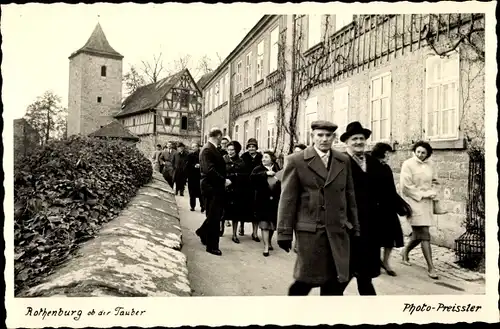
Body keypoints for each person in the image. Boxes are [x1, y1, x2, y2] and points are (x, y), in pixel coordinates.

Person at [277, 120, 359, 296]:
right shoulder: (297, 161)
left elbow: (349, 196)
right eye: (320, 135)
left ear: (334, 138)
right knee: (304, 282)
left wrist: (355, 227)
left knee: (334, 283)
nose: (324, 139)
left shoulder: (343, 160)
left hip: (338, 231)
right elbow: (287, 200)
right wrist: (284, 232)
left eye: (328, 135)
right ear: (312, 136)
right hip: (311, 232)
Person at [340, 121, 386, 295]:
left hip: (370, 224)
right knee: (345, 271)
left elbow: (384, 191)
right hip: (349, 224)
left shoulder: (373, 163)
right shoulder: (340, 163)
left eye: (361, 138)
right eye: (354, 139)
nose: (359, 142)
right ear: (347, 142)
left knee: (364, 273)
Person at [400, 141, 443, 280]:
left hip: (427, 203)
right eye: (418, 152)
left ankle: (405, 251)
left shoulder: (431, 165)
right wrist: (423, 194)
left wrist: (433, 191)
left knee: (419, 234)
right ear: (414, 151)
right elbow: (406, 186)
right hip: (414, 202)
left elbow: (436, 181)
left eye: (423, 153)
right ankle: (431, 267)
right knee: (424, 233)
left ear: (428, 154)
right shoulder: (408, 164)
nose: (420, 155)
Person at [370, 142, 411, 276]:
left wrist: (401, 205)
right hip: (374, 209)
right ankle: (375, 262)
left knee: (391, 236)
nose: (389, 156)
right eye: (387, 153)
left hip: (387, 208)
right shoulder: (369, 166)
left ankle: (386, 261)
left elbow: (391, 190)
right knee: (374, 238)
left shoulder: (386, 168)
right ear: (381, 153)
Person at [195, 128, 231, 256]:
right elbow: (209, 170)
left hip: (214, 187)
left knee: (213, 215)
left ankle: (202, 232)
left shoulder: (211, 148)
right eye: (222, 137)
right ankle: (212, 246)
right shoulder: (207, 149)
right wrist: (223, 181)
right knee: (214, 217)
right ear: (219, 136)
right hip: (211, 187)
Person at [251, 151, 281, 257]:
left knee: (272, 223)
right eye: (263, 157)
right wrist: (265, 174)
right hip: (262, 200)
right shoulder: (258, 169)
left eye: (266, 157)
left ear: (272, 159)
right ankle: (266, 247)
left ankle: (268, 241)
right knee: (264, 224)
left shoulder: (277, 168)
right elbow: (252, 178)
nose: (263, 159)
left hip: (274, 201)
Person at [221, 141, 248, 242]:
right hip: (224, 189)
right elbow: (220, 172)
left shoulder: (241, 162)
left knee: (235, 213)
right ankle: (221, 228)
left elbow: (244, 177)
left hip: (236, 190)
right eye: (228, 150)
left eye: (232, 150)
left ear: (236, 150)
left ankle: (234, 234)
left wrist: (234, 178)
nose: (230, 152)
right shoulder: (223, 160)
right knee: (223, 210)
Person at [239, 138, 263, 239]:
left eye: (253, 147)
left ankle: (255, 232)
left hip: (256, 186)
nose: (251, 149)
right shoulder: (243, 157)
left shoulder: (260, 157)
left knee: (256, 210)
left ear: (256, 148)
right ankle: (242, 227)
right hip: (245, 186)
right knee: (243, 208)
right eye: (249, 147)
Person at [187, 142, 204, 212]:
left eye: (194, 147)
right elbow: (187, 165)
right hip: (192, 176)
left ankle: (202, 206)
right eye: (192, 147)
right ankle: (192, 206)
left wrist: (200, 166)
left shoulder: (201, 155)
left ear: (197, 147)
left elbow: (204, 163)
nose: (193, 148)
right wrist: (194, 166)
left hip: (199, 176)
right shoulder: (190, 155)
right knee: (192, 193)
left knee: (201, 192)